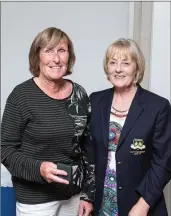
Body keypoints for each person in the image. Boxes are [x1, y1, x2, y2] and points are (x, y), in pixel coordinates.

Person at [1, 27, 95, 216]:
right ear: (37, 57)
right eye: (48, 50)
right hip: (35, 201)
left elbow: (88, 148)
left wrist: (87, 195)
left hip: (73, 198)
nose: (56, 59)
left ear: (69, 56)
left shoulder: (80, 94)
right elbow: (6, 151)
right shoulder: (21, 96)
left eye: (62, 50)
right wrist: (39, 169)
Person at [90, 38, 171, 216]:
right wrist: (86, 197)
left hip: (141, 204)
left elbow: (164, 161)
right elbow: (88, 154)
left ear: (136, 67)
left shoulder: (157, 106)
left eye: (125, 63)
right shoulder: (95, 101)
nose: (118, 69)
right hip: (101, 204)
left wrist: (144, 204)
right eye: (113, 62)